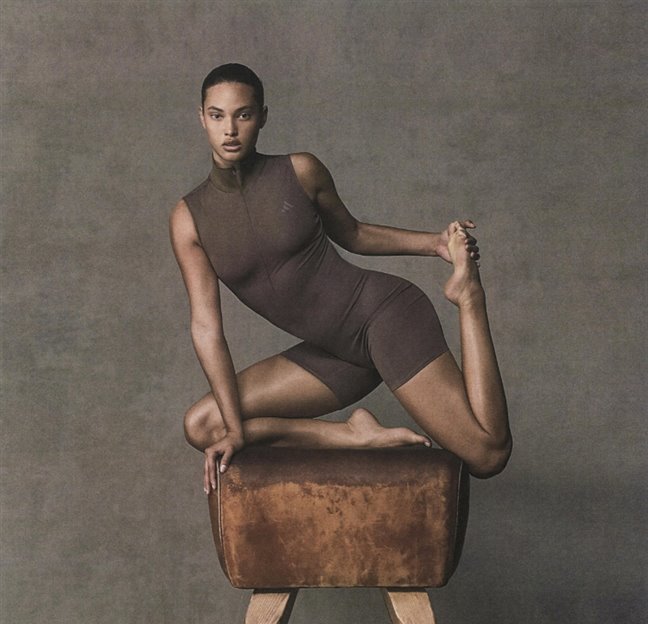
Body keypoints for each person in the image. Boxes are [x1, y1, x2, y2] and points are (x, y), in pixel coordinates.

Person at [170, 63, 511, 494]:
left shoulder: (300, 171)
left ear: (263, 117)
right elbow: (206, 328)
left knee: (487, 454)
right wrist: (237, 431)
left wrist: (436, 244)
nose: (230, 129)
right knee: (204, 425)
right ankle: (352, 434)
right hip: (335, 355)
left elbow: (353, 233)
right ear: (201, 118)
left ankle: (469, 296)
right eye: (217, 115)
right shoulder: (189, 219)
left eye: (244, 114)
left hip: (382, 318)